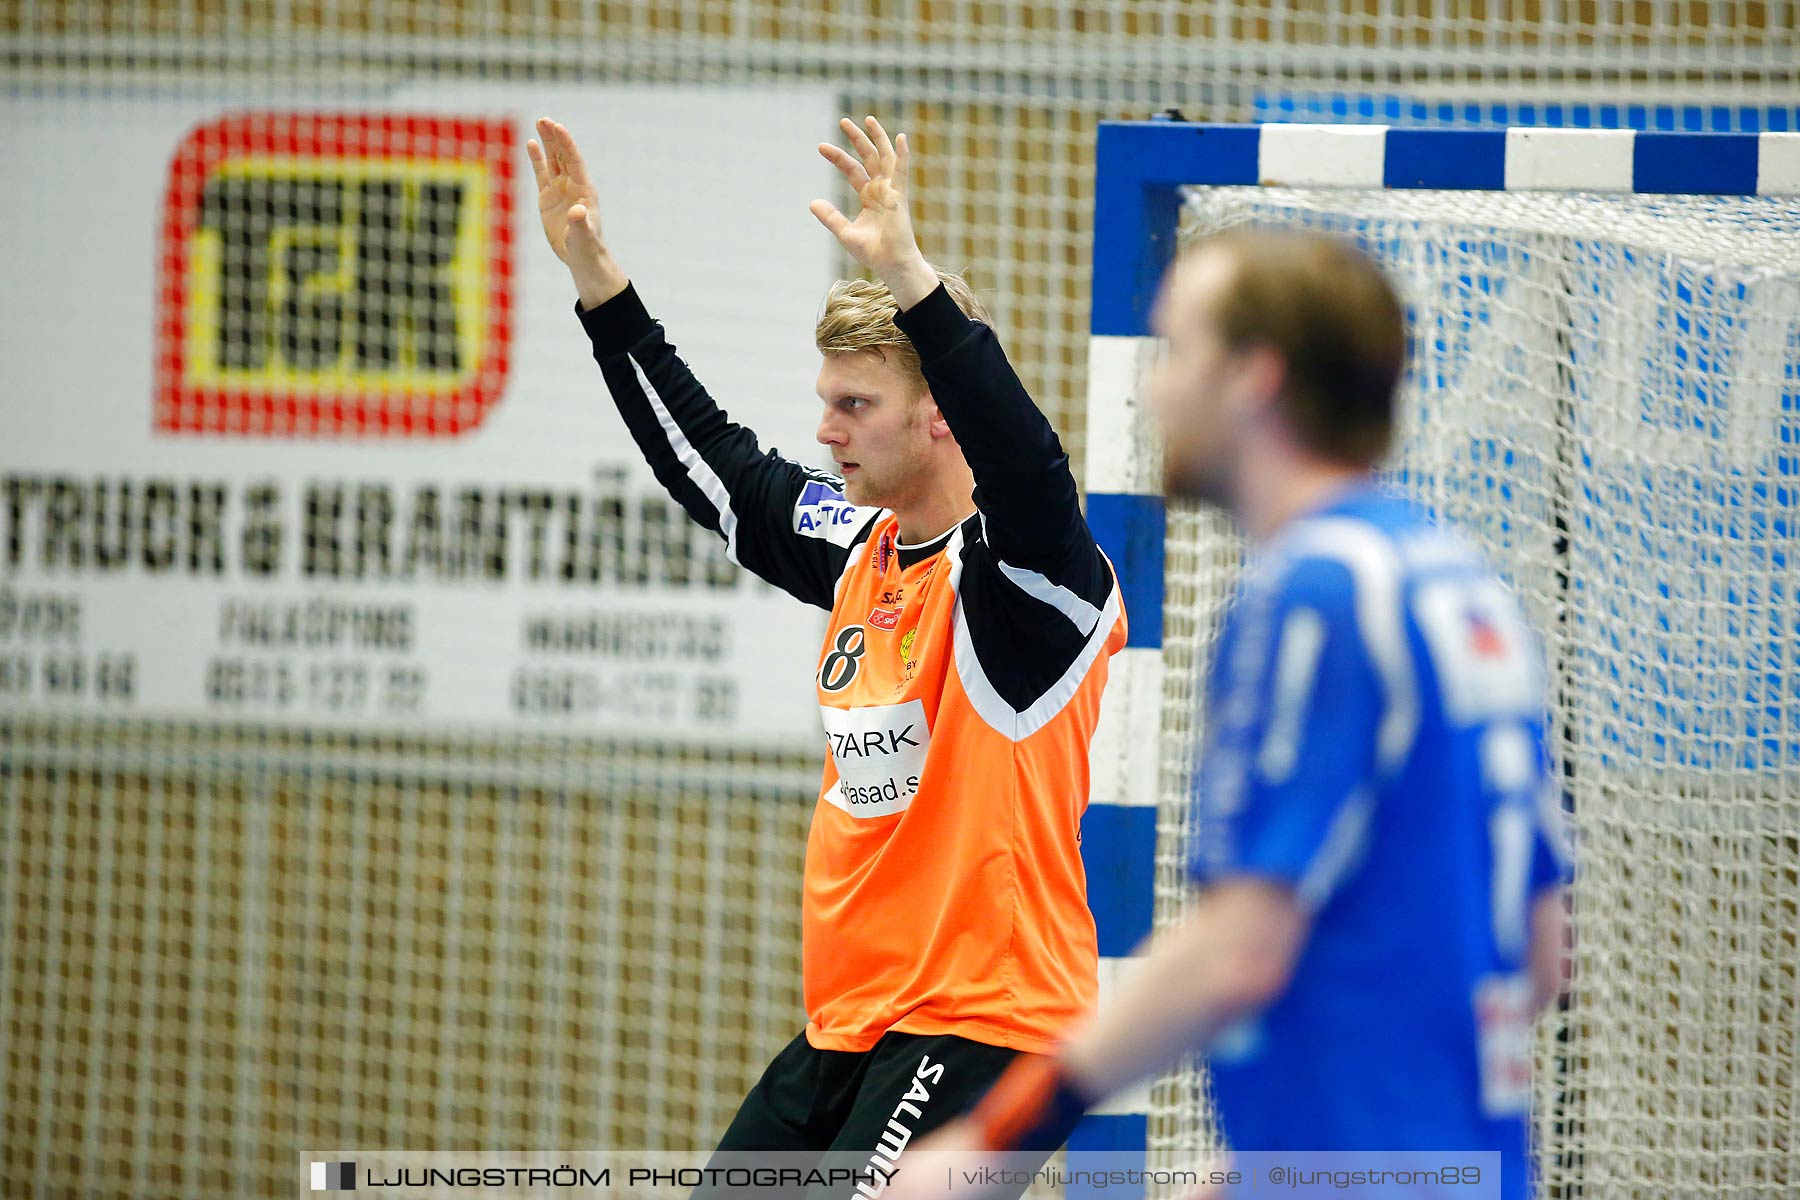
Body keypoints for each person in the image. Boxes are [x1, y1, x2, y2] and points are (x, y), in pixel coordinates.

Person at [898, 230, 1573, 1200]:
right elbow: (1540, 949)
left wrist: (988, 1144)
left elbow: (1237, 950)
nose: (1152, 391)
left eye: (1178, 353)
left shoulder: (1310, 592)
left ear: (1254, 379)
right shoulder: (1459, 583)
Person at [525, 115, 1125, 1170]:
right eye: (825, 404)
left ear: (939, 415)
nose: (827, 432)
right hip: (853, 1021)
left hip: (988, 1025)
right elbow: (710, 463)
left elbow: (1029, 469)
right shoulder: (860, 551)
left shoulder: (1034, 586)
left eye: (855, 405)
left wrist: (906, 273)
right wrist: (597, 281)